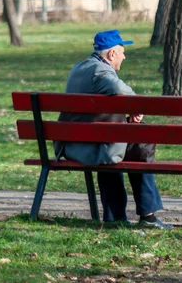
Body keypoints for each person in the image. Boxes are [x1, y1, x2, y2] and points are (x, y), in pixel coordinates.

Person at [53, 29, 172, 229]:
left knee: (116, 140)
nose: (124, 57)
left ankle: (116, 217)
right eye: (122, 52)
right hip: (94, 146)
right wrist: (136, 108)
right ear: (111, 54)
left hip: (74, 144)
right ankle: (147, 215)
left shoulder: (78, 68)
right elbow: (122, 91)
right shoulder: (101, 71)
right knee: (141, 141)